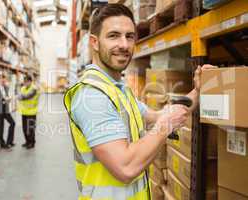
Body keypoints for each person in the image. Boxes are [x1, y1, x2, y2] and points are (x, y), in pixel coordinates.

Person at [64, 4, 215, 200]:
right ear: (94, 42)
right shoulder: (92, 96)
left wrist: (197, 90)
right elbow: (125, 167)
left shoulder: (120, 90)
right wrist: (166, 124)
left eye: (129, 36)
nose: (124, 45)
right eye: (113, 36)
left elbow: (159, 116)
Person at [0, 72, 15, 149]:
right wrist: (4, 100)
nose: (4, 80)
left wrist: (8, 99)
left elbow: (7, 95)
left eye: (4, 79)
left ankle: (9, 141)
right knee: (1, 126)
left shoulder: (5, 87)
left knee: (12, 123)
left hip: (5, 109)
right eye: (2, 79)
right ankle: (2, 144)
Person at [17, 75, 39, 149]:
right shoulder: (23, 88)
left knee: (30, 129)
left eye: (26, 82)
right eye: (24, 82)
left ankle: (32, 143)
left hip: (32, 112)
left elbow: (26, 96)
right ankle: (27, 141)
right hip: (24, 112)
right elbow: (20, 96)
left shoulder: (34, 89)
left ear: (30, 81)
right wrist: (21, 96)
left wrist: (21, 96)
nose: (25, 83)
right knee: (24, 129)